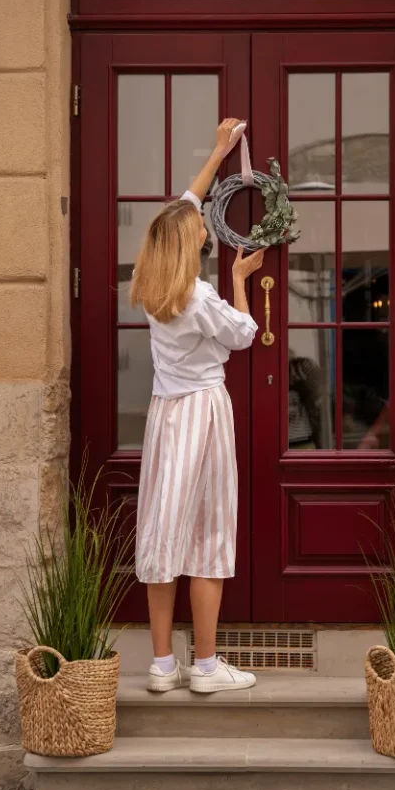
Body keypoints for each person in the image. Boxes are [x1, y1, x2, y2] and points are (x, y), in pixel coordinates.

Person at [130, 118, 265, 694]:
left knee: (162, 533)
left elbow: (186, 202)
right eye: (201, 228)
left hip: (166, 413)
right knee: (209, 532)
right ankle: (206, 667)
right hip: (203, 414)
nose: (205, 225)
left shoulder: (152, 287)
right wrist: (239, 279)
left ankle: (162, 665)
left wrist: (218, 152)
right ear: (192, 244)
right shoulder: (201, 296)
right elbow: (244, 334)